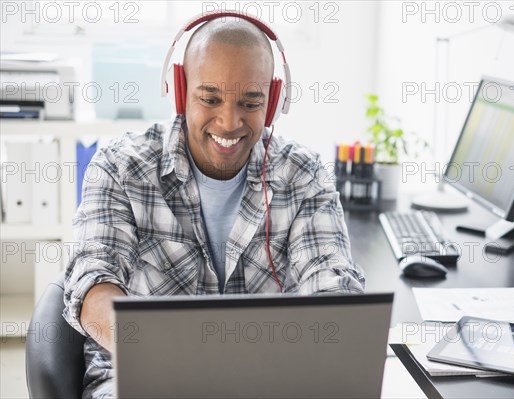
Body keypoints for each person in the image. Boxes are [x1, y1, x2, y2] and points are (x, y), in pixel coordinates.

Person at [63, 12, 364, 398]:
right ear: (180, 90)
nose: (229, 122)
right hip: (143, 372)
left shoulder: (302, 174)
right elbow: (93, 283)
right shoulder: (121, 166)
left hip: (267, 378)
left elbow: (332, 282)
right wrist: (166, 358)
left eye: (250, 103)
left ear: (271, 104)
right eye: (210, 98)